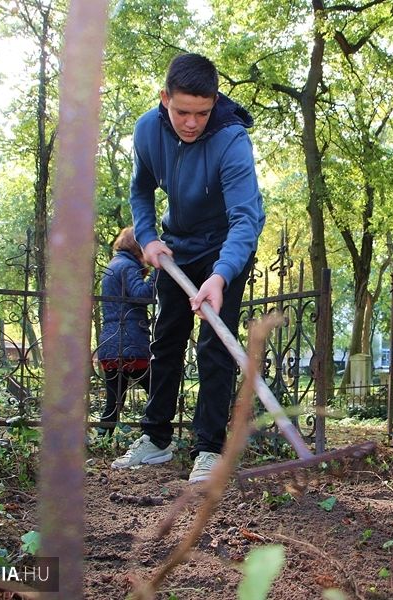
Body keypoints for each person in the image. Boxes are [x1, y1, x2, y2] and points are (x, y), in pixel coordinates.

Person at [112, 53, 265, 483]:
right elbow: (141, 190)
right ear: (165, 99)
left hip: (225, 248)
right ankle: (157, 440)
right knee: (167, 337)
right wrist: (147, 237)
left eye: (202, 112)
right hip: (175, 247)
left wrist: (220, 275)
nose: (192, 123)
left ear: (214, 102)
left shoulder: (232, 141)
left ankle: (209, 448)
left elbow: (245, 219)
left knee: (216, 343)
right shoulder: (146, 130)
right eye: (182, 112)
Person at [96, 227, 156, 436]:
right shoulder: (127, 266)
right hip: (131, 344)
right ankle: (154, 436)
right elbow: (141, 295)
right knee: (156, 392)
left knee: (114, 402)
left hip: (110, 345)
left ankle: (102, 439)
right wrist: (159, 271)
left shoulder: (114, 265)